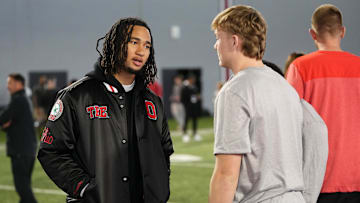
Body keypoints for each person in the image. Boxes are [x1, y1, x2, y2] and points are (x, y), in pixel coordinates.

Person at [37, 17, 174, 203]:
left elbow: (164, 151)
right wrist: (84, 187)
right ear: (116, 44)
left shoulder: (153, 102)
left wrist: (159, 189)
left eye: (147, 46)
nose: (141, 51)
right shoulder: (76, 96)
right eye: (134, 42)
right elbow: (51, 151)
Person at [209, 5, 327, 203]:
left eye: (218, 37)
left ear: (234, 41)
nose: (215, 45)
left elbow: (226, 175)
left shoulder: (235, 91)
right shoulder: (285, 87)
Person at [286, 4, 360, 203]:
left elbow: (287, 121)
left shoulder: (300, 68)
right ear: (342, 31)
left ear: (313, 33)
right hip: (356, 176)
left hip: (316, 178)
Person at [0, 73, 38, 203]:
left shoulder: (18, 100)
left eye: (9, 83)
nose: (7, 86)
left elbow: (3, 118)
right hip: (28, 151)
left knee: (22, 189)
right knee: (24, 189)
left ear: (18, 84)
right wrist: (6, 126)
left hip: (20, 152)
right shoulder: (24, 98)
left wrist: (5, 125)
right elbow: (12, 123)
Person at [180, 74, 202, 142]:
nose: (193, 81)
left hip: (194, 105)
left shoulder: (193, 86)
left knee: (195, 119)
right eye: (192, 80)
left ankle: (195, 133)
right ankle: (185, 134)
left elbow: (195, 94)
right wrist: (186, 104)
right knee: (186, 119)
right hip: (187, 106)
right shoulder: (184, 86)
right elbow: (183, 98)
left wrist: (197, 97)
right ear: (189, 79)